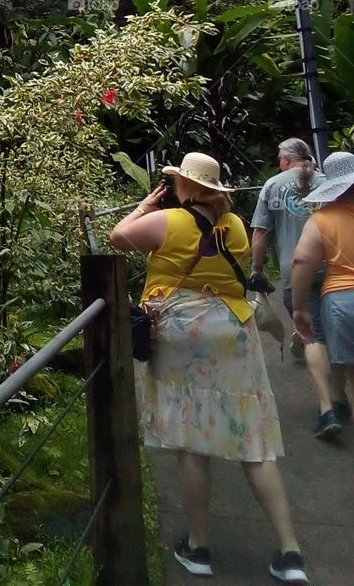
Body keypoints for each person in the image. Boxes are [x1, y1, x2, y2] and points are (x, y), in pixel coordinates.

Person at [110, 152, 307, 584]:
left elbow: (117, 237)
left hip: (182, 330)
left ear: (184, 185)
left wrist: (145, 206)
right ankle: (290, 552)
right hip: (233, 329)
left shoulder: (169, 222)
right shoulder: (233, 225)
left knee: (191, 441)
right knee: (255, 442)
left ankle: (198, 547)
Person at [250, 137, 351, 438]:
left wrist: (256, 271)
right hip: (335, 271)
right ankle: (340, 396)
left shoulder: (272, 185)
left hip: (298, 274)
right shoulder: (328, 182)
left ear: (284, 159)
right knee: (340, 339)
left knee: (314, 337)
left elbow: (260, 233)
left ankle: (327, 407)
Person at [291, 151, 354, 417]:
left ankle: (335, 403)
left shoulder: (321, 219)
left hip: (342, 299)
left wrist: (300, 308)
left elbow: (302, 262)